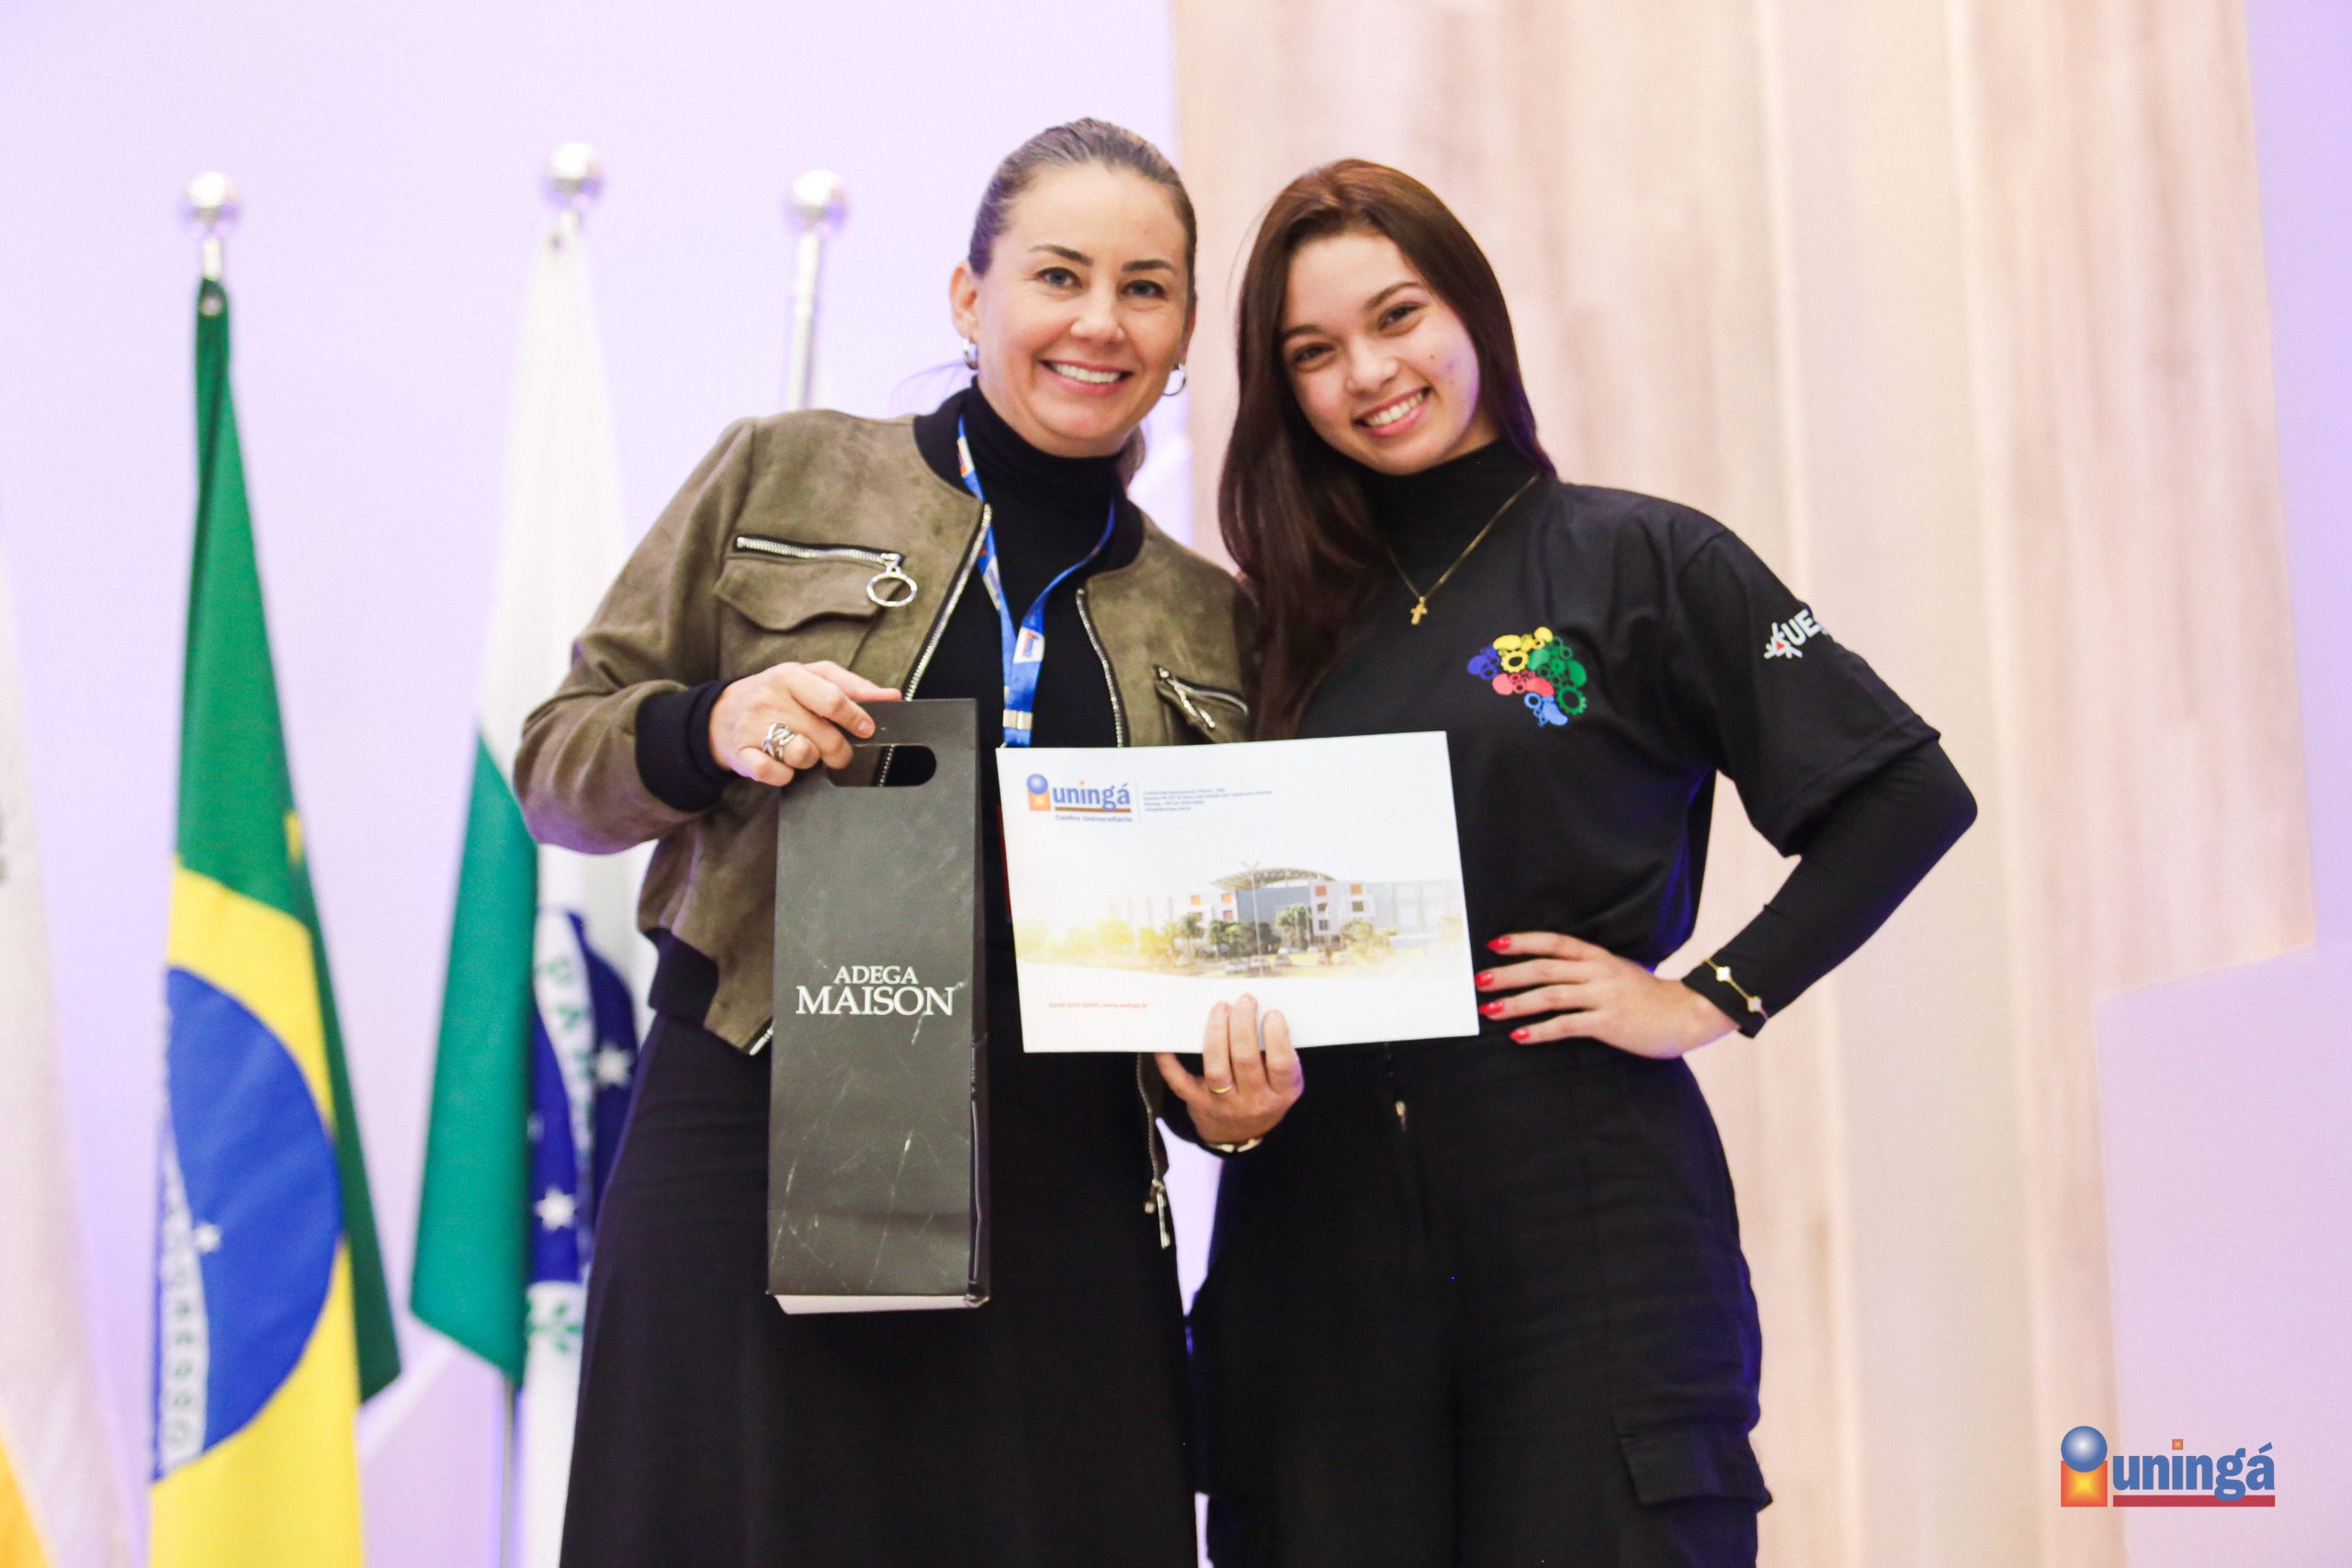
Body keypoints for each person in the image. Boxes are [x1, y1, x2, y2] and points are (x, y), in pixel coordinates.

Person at [516, 119, 1295, 1568]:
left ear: (1186, 328)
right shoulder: (782, 472)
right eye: (1058, 275)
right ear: (967, 296)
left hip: (1064, 1197)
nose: (1099, 321)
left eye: (1145, 288)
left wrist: (1228, 1107)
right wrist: (713, 724)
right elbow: (559, 768)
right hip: (755, 1134)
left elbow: (1210, 963)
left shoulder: (1217, 620)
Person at [1192, 160, 1979, 1568]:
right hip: (1313, 1249)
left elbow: (1905, 791)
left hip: (1587, 1227)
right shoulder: (1266, 633)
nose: (1368, 373)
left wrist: (1713, 993)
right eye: (1313, 351)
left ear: (1472, 311)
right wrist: (1220, 1111)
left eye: (1397, 316)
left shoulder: (1648, 561)